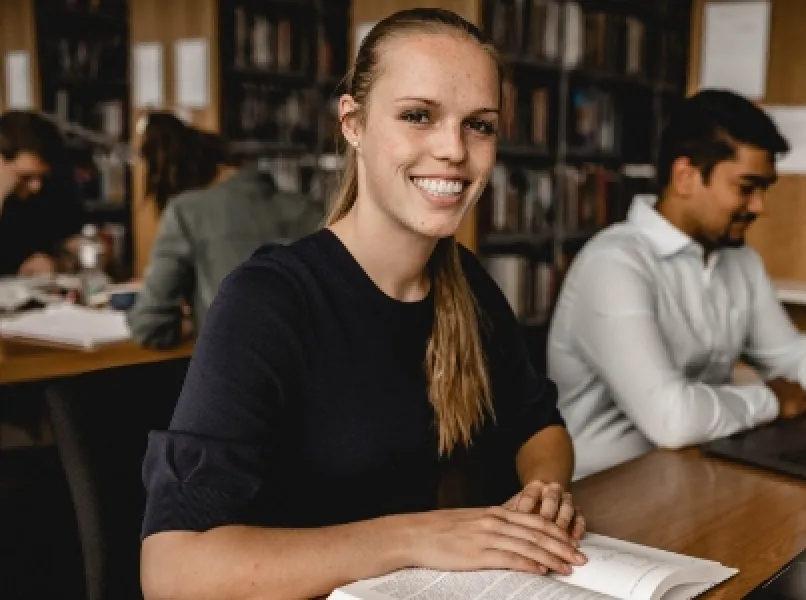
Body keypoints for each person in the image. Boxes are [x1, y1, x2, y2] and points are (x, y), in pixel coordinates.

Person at [139, 9, 587, 600]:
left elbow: (540, 426)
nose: (453, 149)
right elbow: (172, 571)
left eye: (479, 125)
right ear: (353, 123)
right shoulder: (270, 299)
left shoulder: (466, 284)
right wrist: (415, 537)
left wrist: (543, 493)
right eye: (417, 116)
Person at [546, 90, 806, 480]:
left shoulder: (738, 259)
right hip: (607, 491)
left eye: (764, 189)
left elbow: (787, 355)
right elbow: (672, 419)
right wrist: (771, 399)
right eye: (746, 187)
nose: (759, 208)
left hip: (701, 468)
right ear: (685, 176)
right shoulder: (613, 264)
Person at [126, 112, 325, 348]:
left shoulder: (187, 211)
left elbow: (149, 323)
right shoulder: (311, 209)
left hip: (236, 373)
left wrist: (195, 324)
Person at [0, 110, 83, 276]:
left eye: (42, 176)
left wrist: (58, 264)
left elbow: (74, 246)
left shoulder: (52, 188)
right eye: (25, 177)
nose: (36, 186)